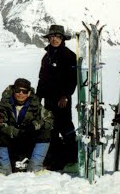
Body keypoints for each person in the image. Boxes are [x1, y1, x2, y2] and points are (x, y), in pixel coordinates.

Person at [36, 24, 77, 171]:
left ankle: (73, 159)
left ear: (62, 39)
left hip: (62, 100)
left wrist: (66, 96)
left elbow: (73, 80)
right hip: (48, 100)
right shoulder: (46, 57)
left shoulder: (69, 55)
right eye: (52, 36)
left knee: (66, 128)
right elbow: (42, 79)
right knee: (50, 130)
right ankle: (56, 160)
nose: (55, 39)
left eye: (58, 37)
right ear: (49, 38)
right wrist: (37, 97)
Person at [0, 78, 53, 175]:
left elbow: (49, 120)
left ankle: (36, 166)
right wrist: (15, 132)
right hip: (11, 138)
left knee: (45, 132)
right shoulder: (4, 104)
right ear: (14, 90)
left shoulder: (36, 105)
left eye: (24, 91)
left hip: (29, 138)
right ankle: (4, 168)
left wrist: (34, 126)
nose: (21, 94)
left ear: (29, 93)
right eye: (18, 90)